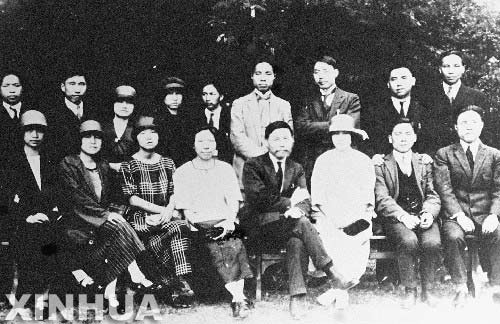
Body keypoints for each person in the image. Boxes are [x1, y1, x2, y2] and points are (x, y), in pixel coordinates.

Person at [242, 121, 344, 319]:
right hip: (259, 229)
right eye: (276, 139)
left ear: (293, 141)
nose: (282, 143)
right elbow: (258, 198)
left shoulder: (296, 168)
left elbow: (305, 199)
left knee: (296, 239)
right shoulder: (253, 165)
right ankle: (331, 271)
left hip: (289, 226)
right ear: (266, 142)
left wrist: (297, 209)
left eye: (286, 138)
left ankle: (297, 296)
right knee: (301, 224)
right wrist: (290, 204)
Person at [58, 120, 153, 310]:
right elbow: (77, 197)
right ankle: (136, 273)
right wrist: (106, 214)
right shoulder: (69, 163)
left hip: (102, 221)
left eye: (97, 138)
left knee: (120, 227)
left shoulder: (102, 166)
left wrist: (114, 213)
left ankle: (109, 291)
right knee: (119, 227)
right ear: (80, 140)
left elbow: (113, 197)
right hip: (80, 221)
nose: (93, 141)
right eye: (88, 137)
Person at [174, 126, 253, 318]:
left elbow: (233, 202)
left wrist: (228, 223)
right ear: (193, 145)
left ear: (216, 145)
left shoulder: (225, 169)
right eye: (201, 141)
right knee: (222, 244)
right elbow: (186, 211)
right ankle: (239, 297)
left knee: (234, 240)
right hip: (199, 226)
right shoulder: (183, 171)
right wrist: (202, 224)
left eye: (210, 141)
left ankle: (238, 298)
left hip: (225, 221)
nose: (206, 146)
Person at [120, 116, 195, 308]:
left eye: (153, 133)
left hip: (166, 217)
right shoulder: (129, 165)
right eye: (143, 133)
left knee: (160, 240)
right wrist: (162, 211)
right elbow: (132, 198)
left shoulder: (168, 163)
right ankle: (180, 283)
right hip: (141, 218)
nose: (149, 137)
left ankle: (173, 284)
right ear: (136, 138)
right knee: (176, 228)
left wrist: (169, 210)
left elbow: (175, 191)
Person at [434, 105, 500, 307]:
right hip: (457, 215)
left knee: (499, 234)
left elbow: (499, 189)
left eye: (473, 122)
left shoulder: (495, 155)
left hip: (485, 213)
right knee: (453, 237)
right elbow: (444, 189)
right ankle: (460, 286)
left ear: (481, 126)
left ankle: (496, 286)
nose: (468, 127)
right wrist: (458, 214)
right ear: (455, 127)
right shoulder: (444, 154)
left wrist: (493, 215)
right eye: (463, 122)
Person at [374, 119, 441, 308]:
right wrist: (403, 216)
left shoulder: (424, 162)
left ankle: (428, 290)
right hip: (395, 218)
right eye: (398, 134)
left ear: (415, 138)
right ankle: (410, 289)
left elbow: (433, 193)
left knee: (432, 242)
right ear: (390, 138)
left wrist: (428, 212)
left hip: (422, 214)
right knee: (409, 241)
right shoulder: (380, 164)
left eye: (407, 134)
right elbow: (382, 198)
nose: (403, 139)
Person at [311, 114, 375, 309]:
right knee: (332, 236)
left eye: (345, 133)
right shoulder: (322, 160)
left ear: (352, 136)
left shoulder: (363, 160)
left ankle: (338, 291)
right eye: (336, 133)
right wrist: (334, 218)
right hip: (328, 215)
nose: (340, 137)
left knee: (355, 236)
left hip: (356, 215)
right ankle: (340, 288)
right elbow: (318, 195)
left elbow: (367, 195)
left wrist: (353, 217)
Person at [7, 110, 59, 315]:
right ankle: (27, 295)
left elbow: (58, 193)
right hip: (22, 220)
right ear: (22, 133)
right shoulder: (11, 163)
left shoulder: (50, 160)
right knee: (30, 238)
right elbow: (7, 197)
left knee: (54, 238)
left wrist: (52, 213)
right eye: (29, 130)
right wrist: (26, 216)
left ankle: (47, 295)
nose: (35, 135)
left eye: (39, 130)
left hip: (49, 218)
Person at [295, 55, 362, 186]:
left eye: (325, 71)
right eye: (316, 72)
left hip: (342, 159)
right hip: (313, 160)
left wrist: (315, 127)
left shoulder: (351, 98)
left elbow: (350, 126)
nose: (320, 76)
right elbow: (301, 127)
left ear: (335, 73)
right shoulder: (308, 100)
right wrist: (334, 124)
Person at [231, 61, 293, 187]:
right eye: (258, 74)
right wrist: (262, 157)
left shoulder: (284, 105)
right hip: (245, 169)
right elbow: (237, 137)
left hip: (275, 169)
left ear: (274, 77)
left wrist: (271, 158)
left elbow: (288, 138)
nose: (263, 78)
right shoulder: (239, 104)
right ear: (252, 76)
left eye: (268, 73)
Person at [421, 50, 490, 155]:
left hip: (468, 155)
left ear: (463, 69)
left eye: (456, 66)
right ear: (440, 69)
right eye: (446, 66)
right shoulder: (428, 96)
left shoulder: (477, 97)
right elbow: (424, 131)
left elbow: (486, 131)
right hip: (435, 154)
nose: (451, 71)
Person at [363, 66, 427, 156]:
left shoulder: (424, 109)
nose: (399, 83)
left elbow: (431, 139)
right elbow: (366, 140)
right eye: (394, 79)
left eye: (404, 78)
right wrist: (373, 156)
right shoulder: (374, 110)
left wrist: (427, 155)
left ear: (413, 81)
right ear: (388, 84)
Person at [46, 68, 99, 163]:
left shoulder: (94, 111)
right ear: (63, 87)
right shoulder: (52, 114)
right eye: (72, 84)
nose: (77, 90)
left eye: (81, 84)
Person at [154, 77, 194, 167]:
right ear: (163, 97)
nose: (175, 98)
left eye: (178, 94)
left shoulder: (188, 120)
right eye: (170, 94)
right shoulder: (157, 120)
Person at [191, 81, 233, 163]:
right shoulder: (195, 116)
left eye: (211, 94)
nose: (207, 98)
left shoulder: (230, 114)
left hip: (225, 160)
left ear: (221, 97)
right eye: (204, 94)